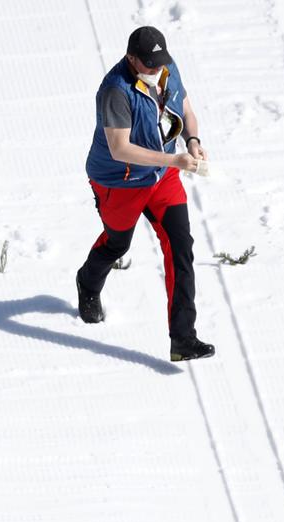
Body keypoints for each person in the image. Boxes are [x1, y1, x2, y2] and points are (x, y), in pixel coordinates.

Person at [77, 25, 214, 362]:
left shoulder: (166, 69)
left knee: (181, 246)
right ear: (131, 59)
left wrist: (192, 142)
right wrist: (174, 159)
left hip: (163, 175)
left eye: (160, 63)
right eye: (150, 65)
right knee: (117, 243)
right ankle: (87, 282)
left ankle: (183, 338)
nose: (157, 70)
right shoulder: (115, 91)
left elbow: (187, 110)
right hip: (119, 181)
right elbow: (120, 148)